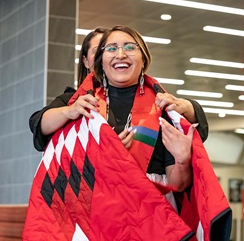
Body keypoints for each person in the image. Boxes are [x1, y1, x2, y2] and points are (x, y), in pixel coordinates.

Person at [23, 26, 231, 241]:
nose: (121, 54)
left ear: (143, 59)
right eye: (111, 48)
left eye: (130, 47)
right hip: (94, 218)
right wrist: (74, 116)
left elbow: (178, 184)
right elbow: (39, 125)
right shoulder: (82, 103)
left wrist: (182, 158)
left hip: (151, 219)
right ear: (100, 61)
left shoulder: (162, 107)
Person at [29, 28, 208, 152]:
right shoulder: (75, 100)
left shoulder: (151, 98)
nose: (117, 54)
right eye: (107, 49)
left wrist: (184, 106)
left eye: (125, 47)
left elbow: (194, 124)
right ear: (87, 60)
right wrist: (70, 111)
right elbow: (38, 124)